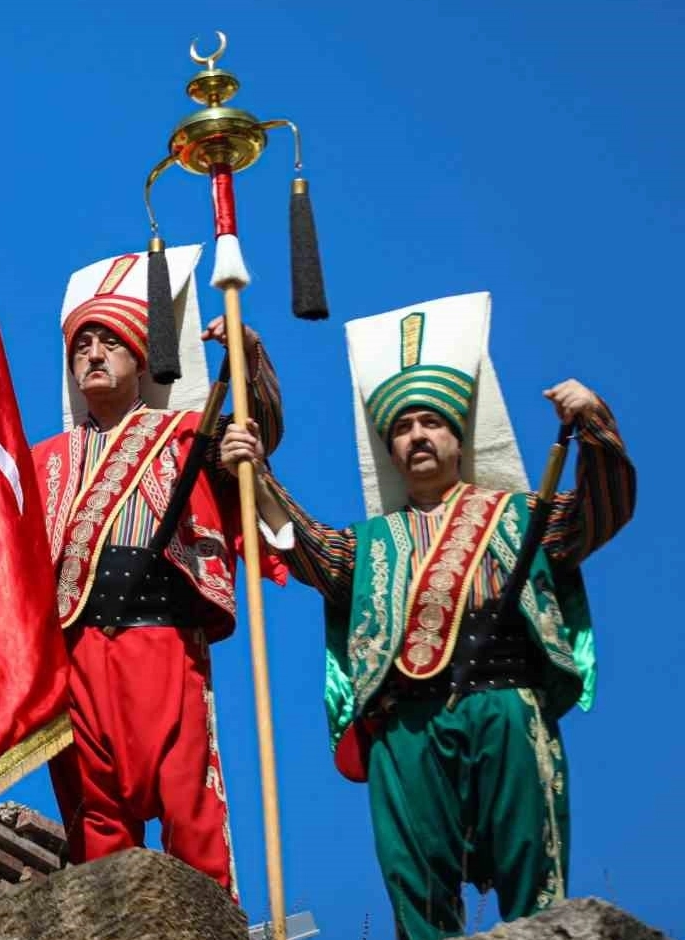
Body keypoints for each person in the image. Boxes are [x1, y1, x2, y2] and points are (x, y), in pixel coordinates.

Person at [220, 291, 635, 939]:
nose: (416, 435)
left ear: (456, 437)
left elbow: (599, 511)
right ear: (388, 450)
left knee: (532, 868)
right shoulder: (368, 544)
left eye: (431, 422)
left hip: (505, 702)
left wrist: (593, 425)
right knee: (413, 884)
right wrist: (255, 472)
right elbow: (307, 549)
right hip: (405, 723)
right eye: (402, 427)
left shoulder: (522, 514)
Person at [32, 247, 287, 897]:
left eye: (109, 342)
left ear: (142, 359)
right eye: (81, 345)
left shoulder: (186, 433)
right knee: (96, 818)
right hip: (73, 651)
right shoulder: (44, 460)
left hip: (160, 636)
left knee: (186, 799)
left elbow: (255, 431)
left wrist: (246, 358)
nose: (93, 354)